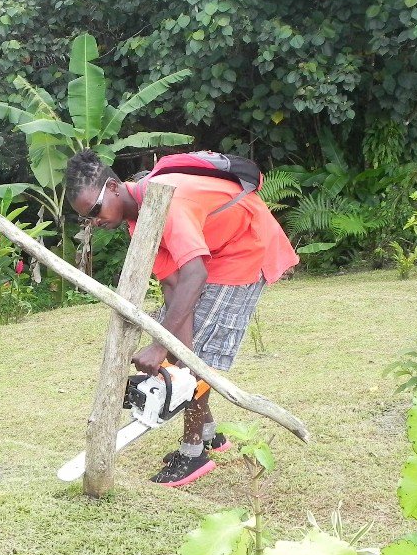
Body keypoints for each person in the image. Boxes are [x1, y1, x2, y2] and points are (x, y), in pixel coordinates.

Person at [64, 149, 298, 487]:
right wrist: (174, 352)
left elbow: (193, 276)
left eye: (96, 210)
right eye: (88, 218)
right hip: (210, 254)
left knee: (193, 354)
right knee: (184, 347)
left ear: (114, 187)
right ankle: (209, 434)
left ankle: (193, 453)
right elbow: (173, 287)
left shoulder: (166, 203)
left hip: (244, 248)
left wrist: (162, 349)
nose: (95, 221)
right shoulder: (140, 222)